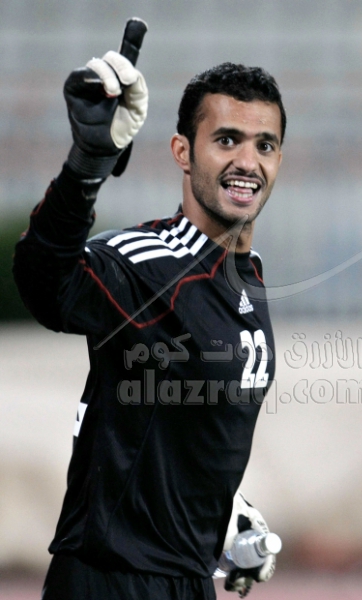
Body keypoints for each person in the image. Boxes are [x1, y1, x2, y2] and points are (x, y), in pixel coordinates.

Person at [13, 36, 285, 600]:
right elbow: (45, 281)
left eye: (265, 144)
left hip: (189, 579)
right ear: (183, 152)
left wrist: (226, 514)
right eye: (226, 140)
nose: (247, 162)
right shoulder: (146, 263)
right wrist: (87, 163)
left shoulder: (246, 275)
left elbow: (182, 430)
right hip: (111, 581)